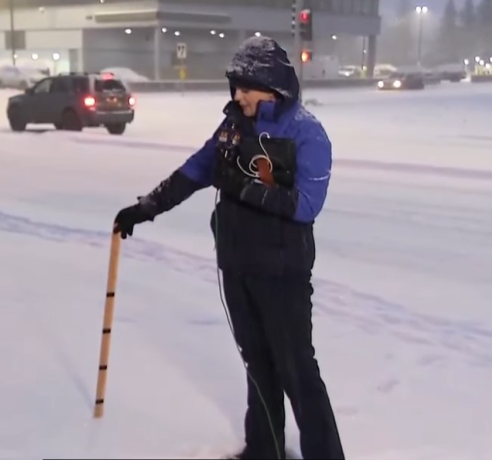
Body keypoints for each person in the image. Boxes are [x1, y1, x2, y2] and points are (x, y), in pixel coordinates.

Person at [113, 36, 344, 460]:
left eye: (246, 87)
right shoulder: (233, 128)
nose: (238, 95)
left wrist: (244, 186)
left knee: (296, 370)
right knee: (258, 364)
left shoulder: (307, 133)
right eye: (235, 87)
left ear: (272, 87)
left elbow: (306, 206)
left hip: (282, 272)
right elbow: (195, 170)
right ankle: (263, 450)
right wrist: (146, 207)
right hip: (237, 266)